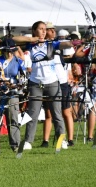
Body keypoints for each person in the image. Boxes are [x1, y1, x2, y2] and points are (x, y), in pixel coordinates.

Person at [12, 21, 74, 150]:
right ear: (34, 31)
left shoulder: (51, 43)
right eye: (40, 29)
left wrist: (80, 42)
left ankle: (61, 139)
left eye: (45, 29)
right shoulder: (30, 44)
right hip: (35, 83)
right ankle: (28, 141)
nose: (44, 31)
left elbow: (66, 44)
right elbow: (13, 39)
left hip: (52, 83)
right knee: (32, 113)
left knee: (56, 114)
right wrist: (32, 39)